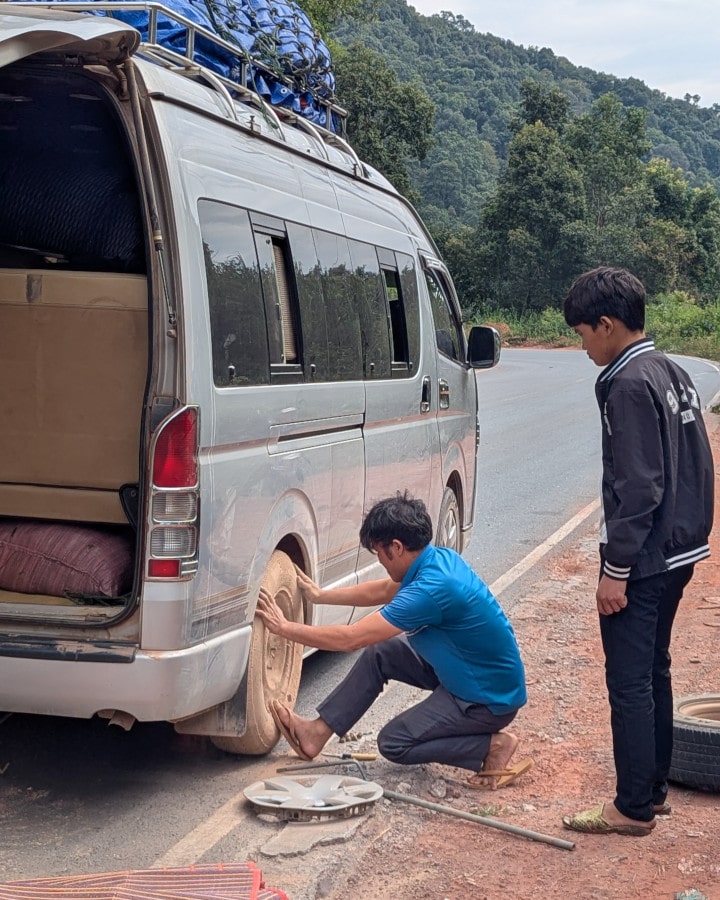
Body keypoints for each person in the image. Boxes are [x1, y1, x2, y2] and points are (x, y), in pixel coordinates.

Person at [561, 267, 714, 837]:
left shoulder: (627, 383)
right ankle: (652, 788)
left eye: (582, 333)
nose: (582, 346)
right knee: (655, 667)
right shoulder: (669, 369)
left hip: (645, 556)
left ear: (607, 323)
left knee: (628, 680)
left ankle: (631, 808)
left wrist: (615, 571)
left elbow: (639, 485)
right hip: (680, 548)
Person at [255, 492, 530, 789]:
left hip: (484, 701)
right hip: (468, 675)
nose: (382, 563)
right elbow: (383, 590)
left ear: (396, 548)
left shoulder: (432, 589)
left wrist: (284, 628)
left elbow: (351, 638)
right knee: (382, 651)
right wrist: (321, 595)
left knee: (394, 742)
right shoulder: (437, 559)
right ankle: (316, 733)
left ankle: (491, 746)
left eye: (379, 553)